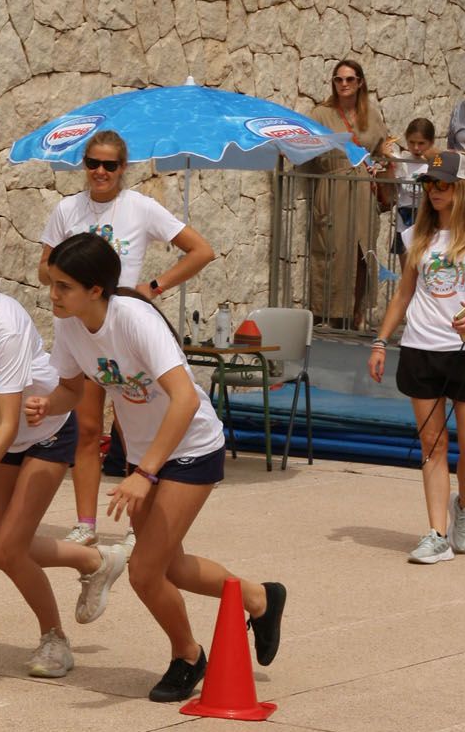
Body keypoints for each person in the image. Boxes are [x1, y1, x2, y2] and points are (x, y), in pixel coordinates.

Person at [26, 233, 285, 703]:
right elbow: (73, 389)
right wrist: (49, 404)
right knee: (176, 568)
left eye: (63, 286)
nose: (53, 294)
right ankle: (259, 597)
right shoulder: (69, 325)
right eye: (53, 284)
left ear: (96, 290)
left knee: (146, 572)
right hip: (146, 453)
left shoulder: (135, 320)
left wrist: (144, 474)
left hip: (190, 445)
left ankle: (188, 656)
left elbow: (184, 399)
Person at [0, 221, 130, 681]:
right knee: (2, 552)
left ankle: (54, 640)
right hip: (1, 438)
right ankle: (97, 561)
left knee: (12, 548)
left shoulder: (6, 324)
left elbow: (14, 419)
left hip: (47, 432)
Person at [37, 127, 214, 545]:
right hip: (83, 320)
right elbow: (44, 267)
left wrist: (152, 287)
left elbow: (201, 250)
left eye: (110, 165)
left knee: (135, 409)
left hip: (124, 319)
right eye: (92, 163)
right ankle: (86, 522)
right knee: (85, 425)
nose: (100, 171)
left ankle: (142, 518)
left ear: (123, 169)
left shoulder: (141, 207)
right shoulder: (67, 209)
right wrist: (70, 271)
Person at [368, 151, 465, 564]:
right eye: (429, 184)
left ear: (462, 187)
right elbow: (404, 294)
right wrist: (380, 341)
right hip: (421, 346)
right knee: (432, 442)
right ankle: (436, 534)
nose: (435, 191)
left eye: (443, 184)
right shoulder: (416, 237)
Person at [306, 59, 396, 329]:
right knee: (332, 250)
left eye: (349, 79)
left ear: (360, 83)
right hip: (334, 187)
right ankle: (328, 315)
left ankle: (356, 312)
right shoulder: (320, 114)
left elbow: (382, 146)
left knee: (362, 252)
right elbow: (305, 148)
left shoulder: (371, 114)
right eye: (339, 79)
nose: (344, 84)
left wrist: (390, 158)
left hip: (363, 190)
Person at [387, 118, 440, 261]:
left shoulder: (436, 162)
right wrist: (388, 163)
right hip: (404, 224)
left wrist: (434, 161)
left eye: (421, 143)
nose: (416, 148)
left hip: (428, 222)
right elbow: (391, 185)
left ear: (431, 142)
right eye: (411, 142)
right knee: (407, 274)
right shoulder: (402, 161)